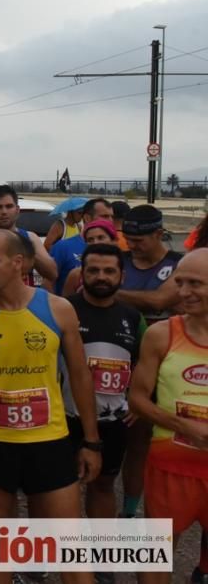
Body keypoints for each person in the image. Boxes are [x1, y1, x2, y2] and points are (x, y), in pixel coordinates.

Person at [0, 230, 100, 584]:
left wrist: (91, 440)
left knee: (69, 541)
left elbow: (80, 377)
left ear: (18, 263)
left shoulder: (57, 309)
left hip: (49, 439)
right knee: (0, 529)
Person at [129, 249, 208, 584]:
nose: (184, 292)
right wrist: (181, 425)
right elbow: (136, 399)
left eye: (196, 284)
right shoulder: (162, 334)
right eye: (180, 283)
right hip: (171, 466)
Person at [62, 244, 145, 546]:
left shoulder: (133, 318)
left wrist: (138, 396)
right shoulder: (62, 310)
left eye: (109, 271)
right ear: (82, 274)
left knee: (103, 486)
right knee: (59, 490)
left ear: (121, 276)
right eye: (93, 270)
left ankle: (101, 553)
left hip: (112, 421)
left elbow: (145, 363)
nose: (101, 276)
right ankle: (46, 555)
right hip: (64, 418)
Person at [116, 204, 183, 524]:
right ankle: (121, 509)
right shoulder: (120, 261)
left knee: (146, 440)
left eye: (138, 240)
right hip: (119, 360)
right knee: (122, 440)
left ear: (158, 234)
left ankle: (136, 510)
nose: (131, 245)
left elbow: (160, 301)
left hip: (164, 364)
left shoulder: (177, 265)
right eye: (127, 239)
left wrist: (111, 292)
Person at [0, 185, 57, 285]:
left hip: (25, 299)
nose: (4, 212)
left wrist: (27, 248)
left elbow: (52, 274)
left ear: (17, 210)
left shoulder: (30, 238)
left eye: (9, 206)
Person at [49, 198, 114, 294]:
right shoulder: (62, 247)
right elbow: (48, 283)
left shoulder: (114, 249)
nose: (110, 221)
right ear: (87, 218)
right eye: (104, 216)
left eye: (111, 217)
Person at [60, 220, 118, 296]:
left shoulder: (125, 267)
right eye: (90, 240)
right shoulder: (76, 274)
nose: (95, 243)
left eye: (101, 238)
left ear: (113, 240)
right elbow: (66, 304)